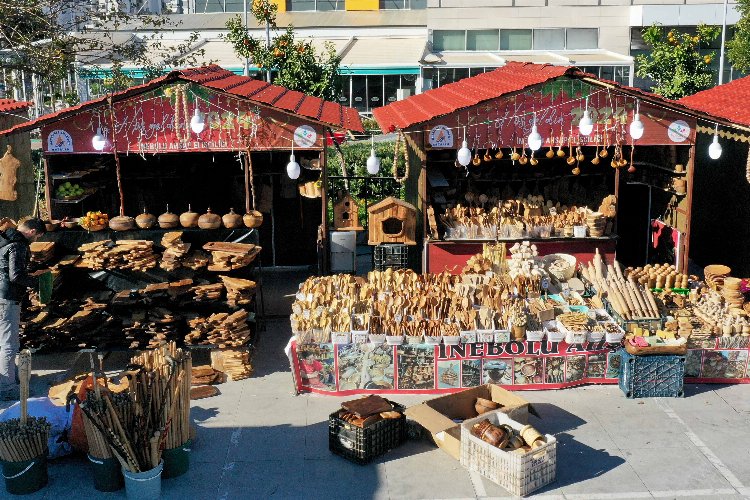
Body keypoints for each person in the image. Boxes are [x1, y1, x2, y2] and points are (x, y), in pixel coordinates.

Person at [0, 219, 46, 400]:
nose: (35, 240)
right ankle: (7, 388)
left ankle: (8, 377)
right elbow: (16, 275)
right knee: (9, 345)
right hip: (7, 297)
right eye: (37, 237)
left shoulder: (4, 238)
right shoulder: (17, 245)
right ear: (32, 231)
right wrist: (36, 283)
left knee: (3, 341)